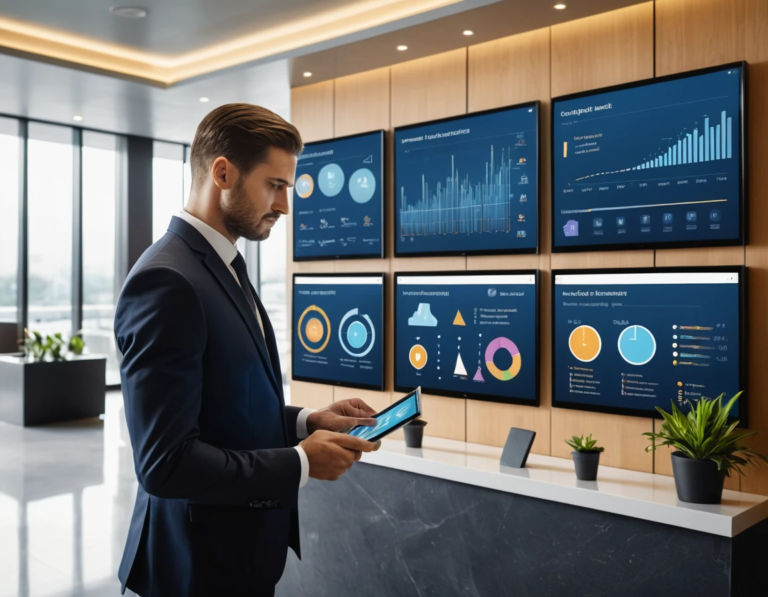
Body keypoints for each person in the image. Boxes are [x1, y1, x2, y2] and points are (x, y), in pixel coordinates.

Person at [115, 103, 380, 596]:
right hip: (195, 571)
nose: (284, 205)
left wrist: (307, 422)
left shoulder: (222, 264)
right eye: (275, 185)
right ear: (223, 173)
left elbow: (224, 408)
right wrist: (301, 461)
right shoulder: (166, 281)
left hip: (233, 558)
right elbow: (165, 463)